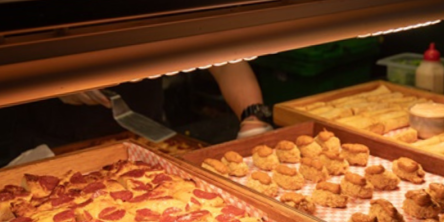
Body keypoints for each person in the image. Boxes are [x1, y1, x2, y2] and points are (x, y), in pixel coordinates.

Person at [15, 62, 271, 153]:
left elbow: (222, 52)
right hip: (54, 140)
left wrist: (253, 117)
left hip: (148, 136)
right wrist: (51, 79)